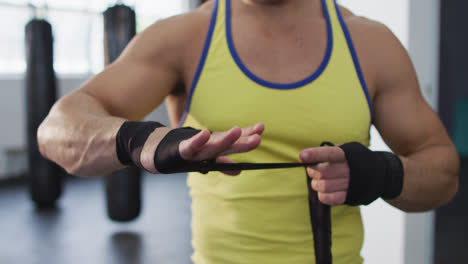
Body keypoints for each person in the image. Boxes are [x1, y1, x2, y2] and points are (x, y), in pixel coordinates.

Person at [37, 0, 460, 263]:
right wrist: (142, 141)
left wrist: (380, 174)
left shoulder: (370, 44)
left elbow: (442, 172)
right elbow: (57, 130)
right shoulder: (186, 37)